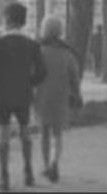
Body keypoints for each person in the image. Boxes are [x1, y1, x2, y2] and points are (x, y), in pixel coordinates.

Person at [0, 2, 46, 191]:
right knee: (25, 133)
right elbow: (42, 71)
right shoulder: (32, 45)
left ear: (8, 19)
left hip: (2, 95)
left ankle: (4, 177)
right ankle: (28, 173)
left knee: (3, 136)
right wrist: (30, 81)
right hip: (23, 94)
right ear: (23, 22)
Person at [33, 16, 83, 184]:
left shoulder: (38, 51)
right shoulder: (67, 53)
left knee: (44, 133)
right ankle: (55, 162)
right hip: (61, 96)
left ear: (44, 29)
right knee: (58, 133)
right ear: (60, 31)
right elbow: (75, 77)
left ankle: (46, 166)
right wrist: (76, 94)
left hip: (41, 96)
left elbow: (30, 74)